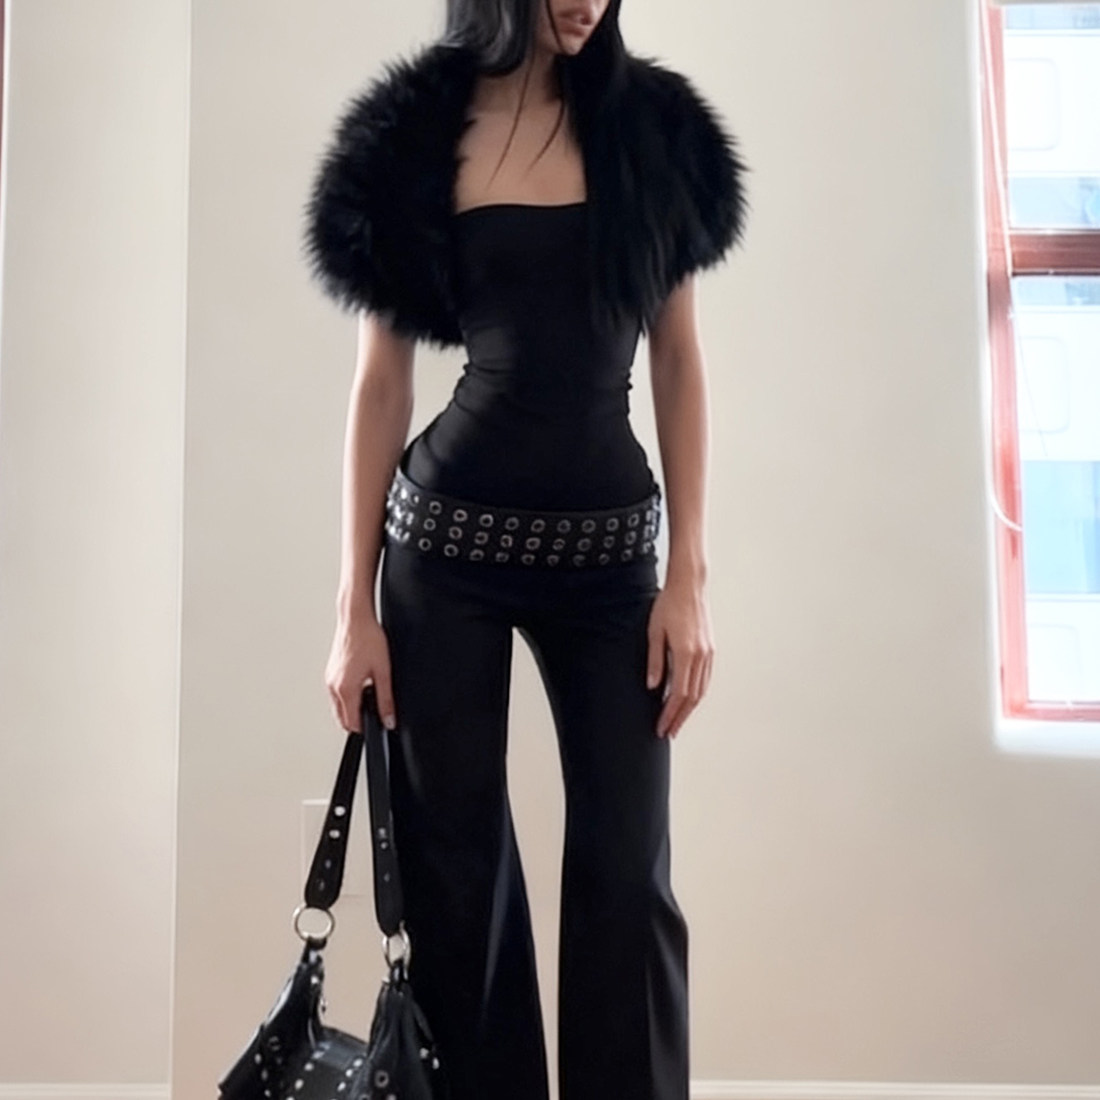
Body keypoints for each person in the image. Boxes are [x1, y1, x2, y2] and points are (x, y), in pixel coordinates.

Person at [302, 2, 749, 1098]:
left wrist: (688, 576)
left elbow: (679, 360)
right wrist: (352, 607)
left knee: (627, 873)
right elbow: (380, 384)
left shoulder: (651, 128)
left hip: (611, 558)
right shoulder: (417, 136)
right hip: (443, 551)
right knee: (454, 880)